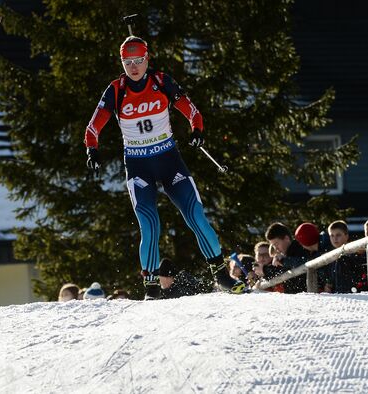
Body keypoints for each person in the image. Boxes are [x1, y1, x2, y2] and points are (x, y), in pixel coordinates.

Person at [84, 35, 245, 299]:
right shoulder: (116, 90)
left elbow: (192, 110)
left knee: (195, 214)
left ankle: (220, 274)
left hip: (169, 160)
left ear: (147, 59)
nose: (133, 67)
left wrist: (197, 130)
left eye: (138, 61)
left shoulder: (161, 81)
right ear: (122, 63)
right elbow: (93, 126)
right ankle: (151, 287)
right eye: (127, 62)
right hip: (138, 166)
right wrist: (92, 149)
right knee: (150, 224)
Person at [263, 222, 309, 293]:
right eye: (273, 245)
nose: (276, 248)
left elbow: (303, 262)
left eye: (276, 244)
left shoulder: (300, 248)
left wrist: (264, 270)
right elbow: (277, 272)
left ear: (287, 238)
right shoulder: (286, 255)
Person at [327, 220, 367, 293]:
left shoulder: (355, 253)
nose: (334, 238)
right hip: (337, 294)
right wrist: (329, 284)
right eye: (332, 235)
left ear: (346, 235)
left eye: (338, 235)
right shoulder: (330, 256)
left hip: (352, 293)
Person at [294, 222, 334, 292]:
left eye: (301, 242)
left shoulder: (324, 250)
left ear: (306, 243)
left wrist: (329, 282)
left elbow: (306, 262)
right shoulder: (322, 246)